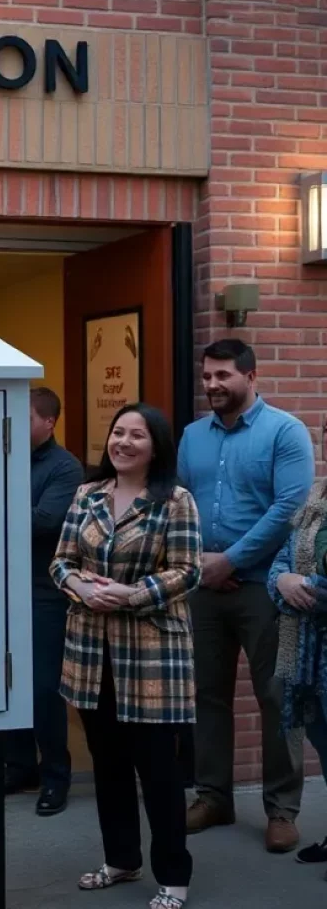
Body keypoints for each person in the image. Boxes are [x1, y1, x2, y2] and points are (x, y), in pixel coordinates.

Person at [50, 402, 202, 909]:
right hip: (91, 651)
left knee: (158, 771)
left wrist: (130, 593)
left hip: (153, 655)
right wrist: (76, 585)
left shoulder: (175, 501)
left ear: (155, 446)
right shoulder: (86, 494)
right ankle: (122, 860)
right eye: (118, 432)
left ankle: (173, 877)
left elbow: (188, 571)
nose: (124, 442)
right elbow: (61, 561)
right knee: (108, 765)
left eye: (137, 435)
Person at [178, 339, 314, 852]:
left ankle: (282, 808)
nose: (212, 385)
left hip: (265, 589)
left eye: (223, 376)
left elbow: (289, 509)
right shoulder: (192, 437)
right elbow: (181, 507)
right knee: (208, 695)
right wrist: (202, 566)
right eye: (207, 376)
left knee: (277, 698)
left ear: (250, 377)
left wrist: (230, 560)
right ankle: (213, 796)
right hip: (204, 588)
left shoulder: (285, 432)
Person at [0, 387, 82, 815]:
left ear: (48, 422)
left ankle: (56, 775)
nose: (16, 426)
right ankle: (18, 767)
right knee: (5, 682)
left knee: (41, 688)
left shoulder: (65, 467)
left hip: (44, 591)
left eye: (26, 417)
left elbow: (42, 523)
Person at [267, 479, 327, 873]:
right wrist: (282, 582)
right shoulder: (315, 498)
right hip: (309, 651)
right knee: (325, 743)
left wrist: (303, 585)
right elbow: (280, 562)